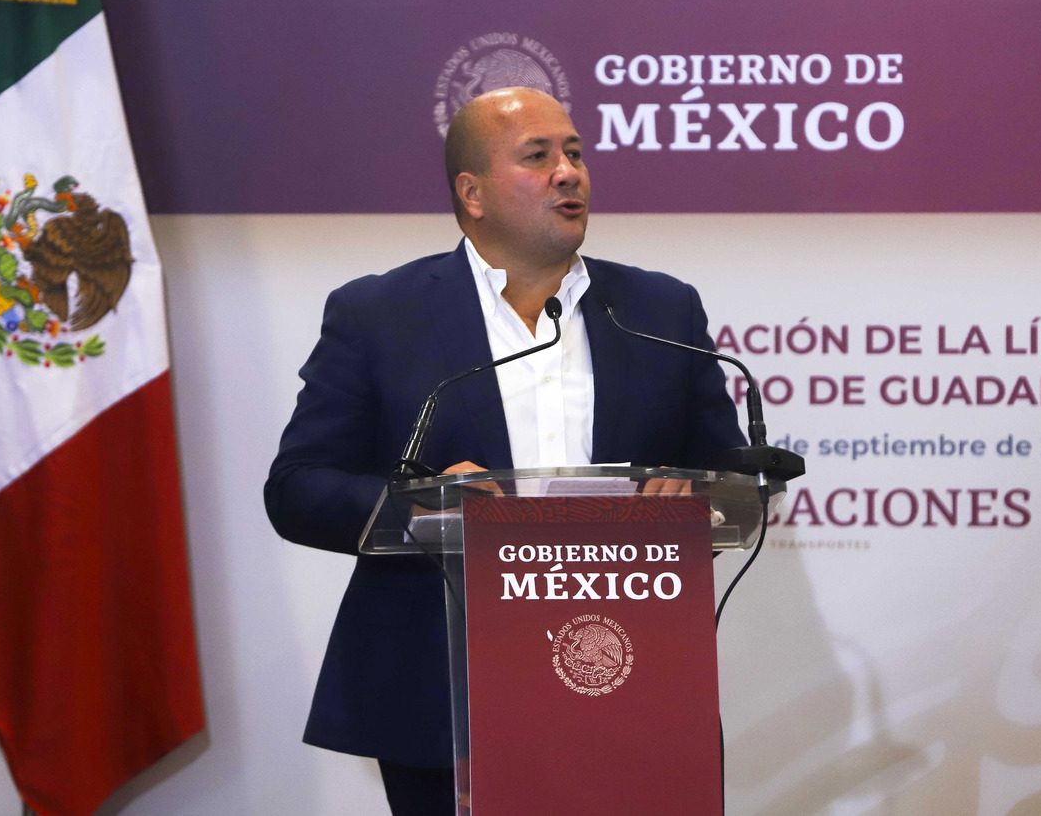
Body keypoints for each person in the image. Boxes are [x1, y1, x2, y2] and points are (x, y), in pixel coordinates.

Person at [264, 87, 744, 815]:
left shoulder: (659, 309)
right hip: (444, 689)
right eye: (538, 156)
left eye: (575, 153)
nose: (568, 172)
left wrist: (696, 494)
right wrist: (420, 506)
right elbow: (297, 487)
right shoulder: (378, 314)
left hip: (629, 674)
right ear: (473, 193)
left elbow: (730, 474)